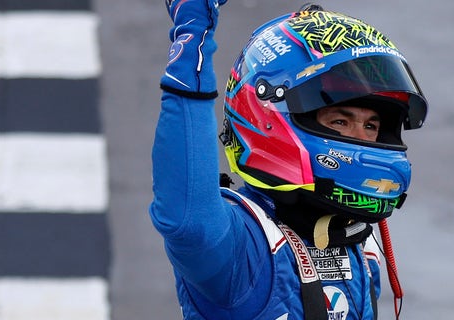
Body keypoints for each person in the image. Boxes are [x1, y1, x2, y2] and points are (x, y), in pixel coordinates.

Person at [151, 1, 428, 319]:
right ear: (271, 118)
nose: (362, 139)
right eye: (340, 121)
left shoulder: (361, 248)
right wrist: (192, 41)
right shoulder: (243, 250)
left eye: (372, 126)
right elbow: (187, 220)